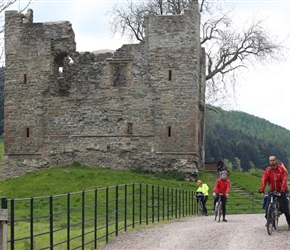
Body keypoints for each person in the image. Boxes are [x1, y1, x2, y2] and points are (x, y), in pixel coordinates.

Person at [259, 155, 290, 230]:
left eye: (273, 160)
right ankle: (268, 220)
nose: (272, 162)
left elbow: (284, 180)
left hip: (281, 190)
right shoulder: (268, 170)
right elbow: (264, 179)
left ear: (276, 160)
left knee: (285, 208)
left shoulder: (281, 169)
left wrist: (282, 190)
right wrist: (261, 189)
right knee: (267, 204)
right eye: (270, 160)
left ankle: (289, 223)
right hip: (272, 190)